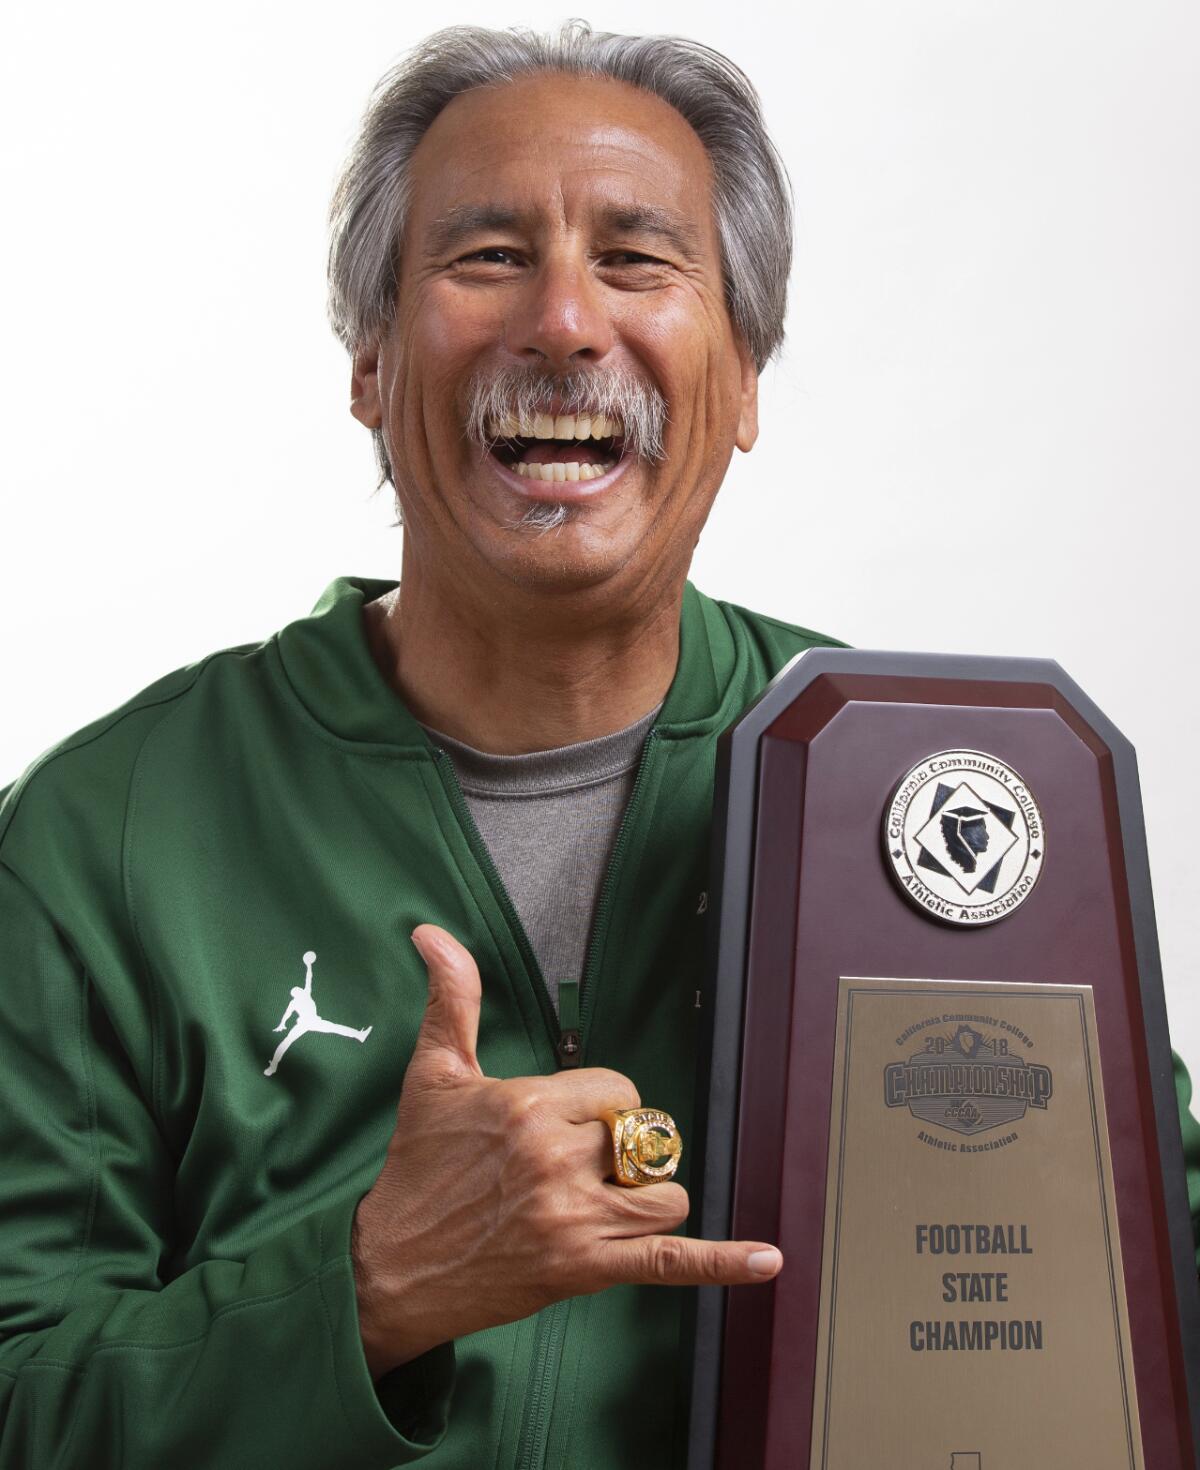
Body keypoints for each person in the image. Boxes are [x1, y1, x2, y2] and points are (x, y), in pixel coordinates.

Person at [0, 21, 1196, 1470]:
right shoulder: (109, 829)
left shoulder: (935, 791)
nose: (565, 322)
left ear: (743, 378)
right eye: (489, 256)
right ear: (370, 362)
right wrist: (368, 1292)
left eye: (636, 260)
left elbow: (1151, 1283)